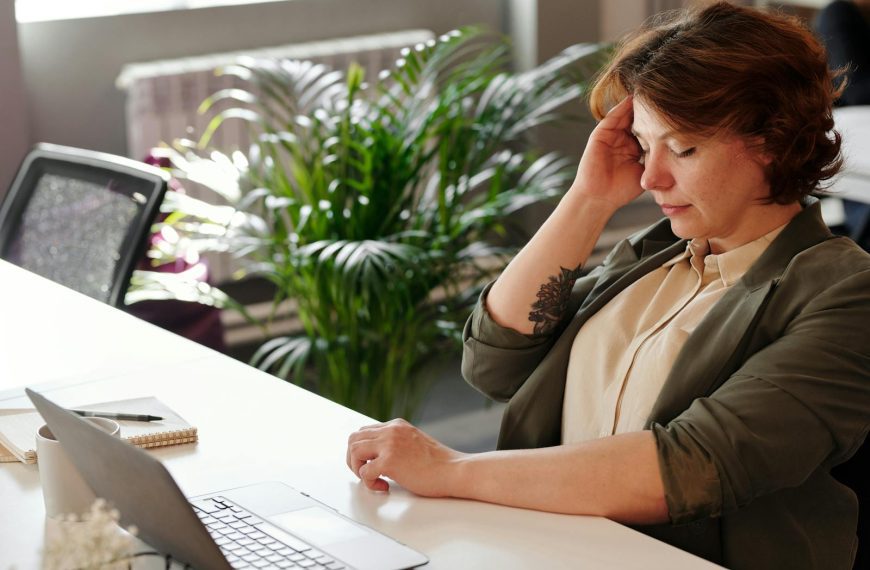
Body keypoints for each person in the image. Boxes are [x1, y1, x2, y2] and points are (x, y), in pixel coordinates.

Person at [346, 3, 870, 568]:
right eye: (645, 146)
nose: (650, 178)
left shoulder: (844, 292)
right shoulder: (653, 257)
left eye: (684, 148)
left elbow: (694, 464)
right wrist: (587, 199)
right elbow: (494, 363)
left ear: (773, 137)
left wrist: (450, 471)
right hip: (548, 549)